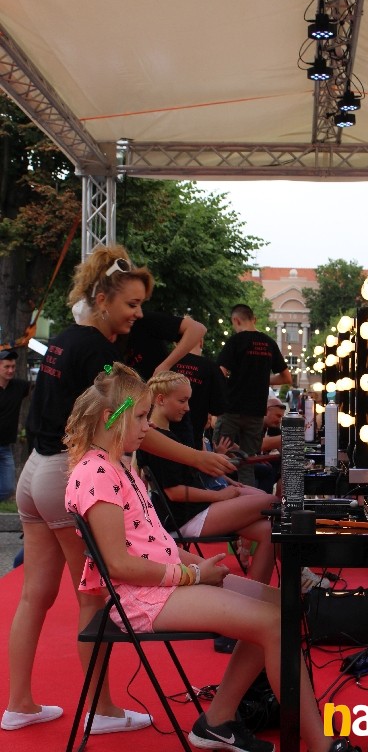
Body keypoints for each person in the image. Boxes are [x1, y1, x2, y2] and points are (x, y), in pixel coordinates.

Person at [2, 245, 234, 734]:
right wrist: (195, 456)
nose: (138, 315)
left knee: (34, 596)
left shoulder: (65, 340)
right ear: (103, 299)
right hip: (62, 473)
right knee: (92, 598)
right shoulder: (100, 355)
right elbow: (130, 427)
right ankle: (103, 710)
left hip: (34, 474)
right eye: (131, 304)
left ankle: (18, 703)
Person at [63, 362, 353, 752]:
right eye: (142, 417)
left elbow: (155, 543)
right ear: (108, 418)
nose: (148, 426)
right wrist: (193, 575)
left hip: (156, 584)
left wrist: (196, 567)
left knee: (282, 607)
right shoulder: (98, 473)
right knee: (274, 622)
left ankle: (218, 721)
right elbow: (120, 566)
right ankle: (318, 744)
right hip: (142, 597)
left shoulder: (115, 464)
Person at [137, 371, 279, 585]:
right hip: (184, 517)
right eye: (182, 401)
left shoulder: (168, 434)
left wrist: (225, 484)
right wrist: (220, 496)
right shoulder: (158, 441)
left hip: (192, 510)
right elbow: (174, 492)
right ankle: (298, 572)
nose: (187, 408)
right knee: (272, 501)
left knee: (270, 531)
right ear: (160, 399)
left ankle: (259, 596)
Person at [216, 304, 292, 486]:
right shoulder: (269, 343)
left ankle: (220, 492)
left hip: (232, 409)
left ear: (236, 320)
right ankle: (248, 497)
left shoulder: (235, 341)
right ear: (254, 319)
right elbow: (286, 377)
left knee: (220, 453)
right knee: (248, 462)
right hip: (256, 413)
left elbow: (220, 372)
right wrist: (262, 380)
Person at [171, 338, 227, 450]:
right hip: (193, 440)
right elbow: (219, 408)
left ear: (176, 342)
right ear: (201, 341)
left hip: (161, 437)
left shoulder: (166, 362)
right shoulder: (211, 368)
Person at [0, 350, 30, 502]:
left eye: (13, 366)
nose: (11, 370)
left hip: (5, 446)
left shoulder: (19, 387)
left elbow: (39, 388)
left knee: (8, 488)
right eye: (7, 367)